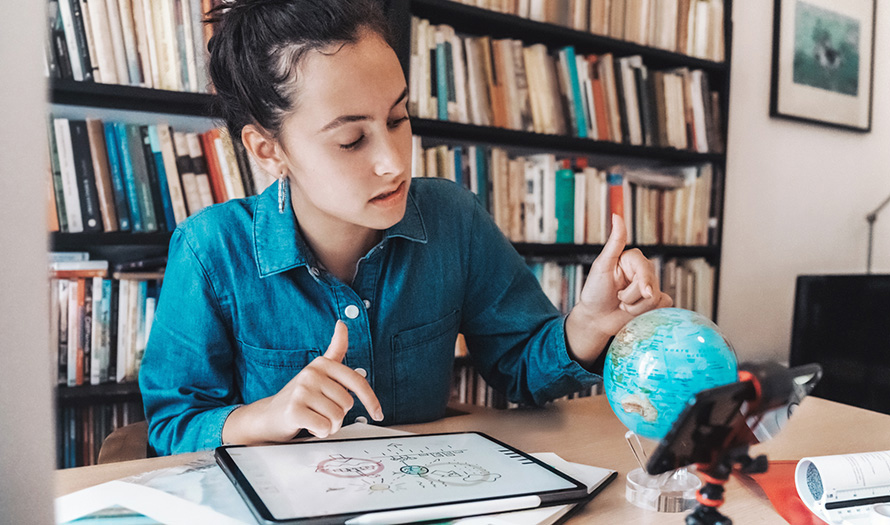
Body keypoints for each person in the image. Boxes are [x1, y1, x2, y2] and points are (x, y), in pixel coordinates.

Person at [140, 0, 672, 456]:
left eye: (398, 119)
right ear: (268, 150)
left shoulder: (452, 219)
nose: (394, 162)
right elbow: (172, 425)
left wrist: (589, 325)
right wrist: (267, 417)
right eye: (351, 140)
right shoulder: (212, 250)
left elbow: (520, 370)